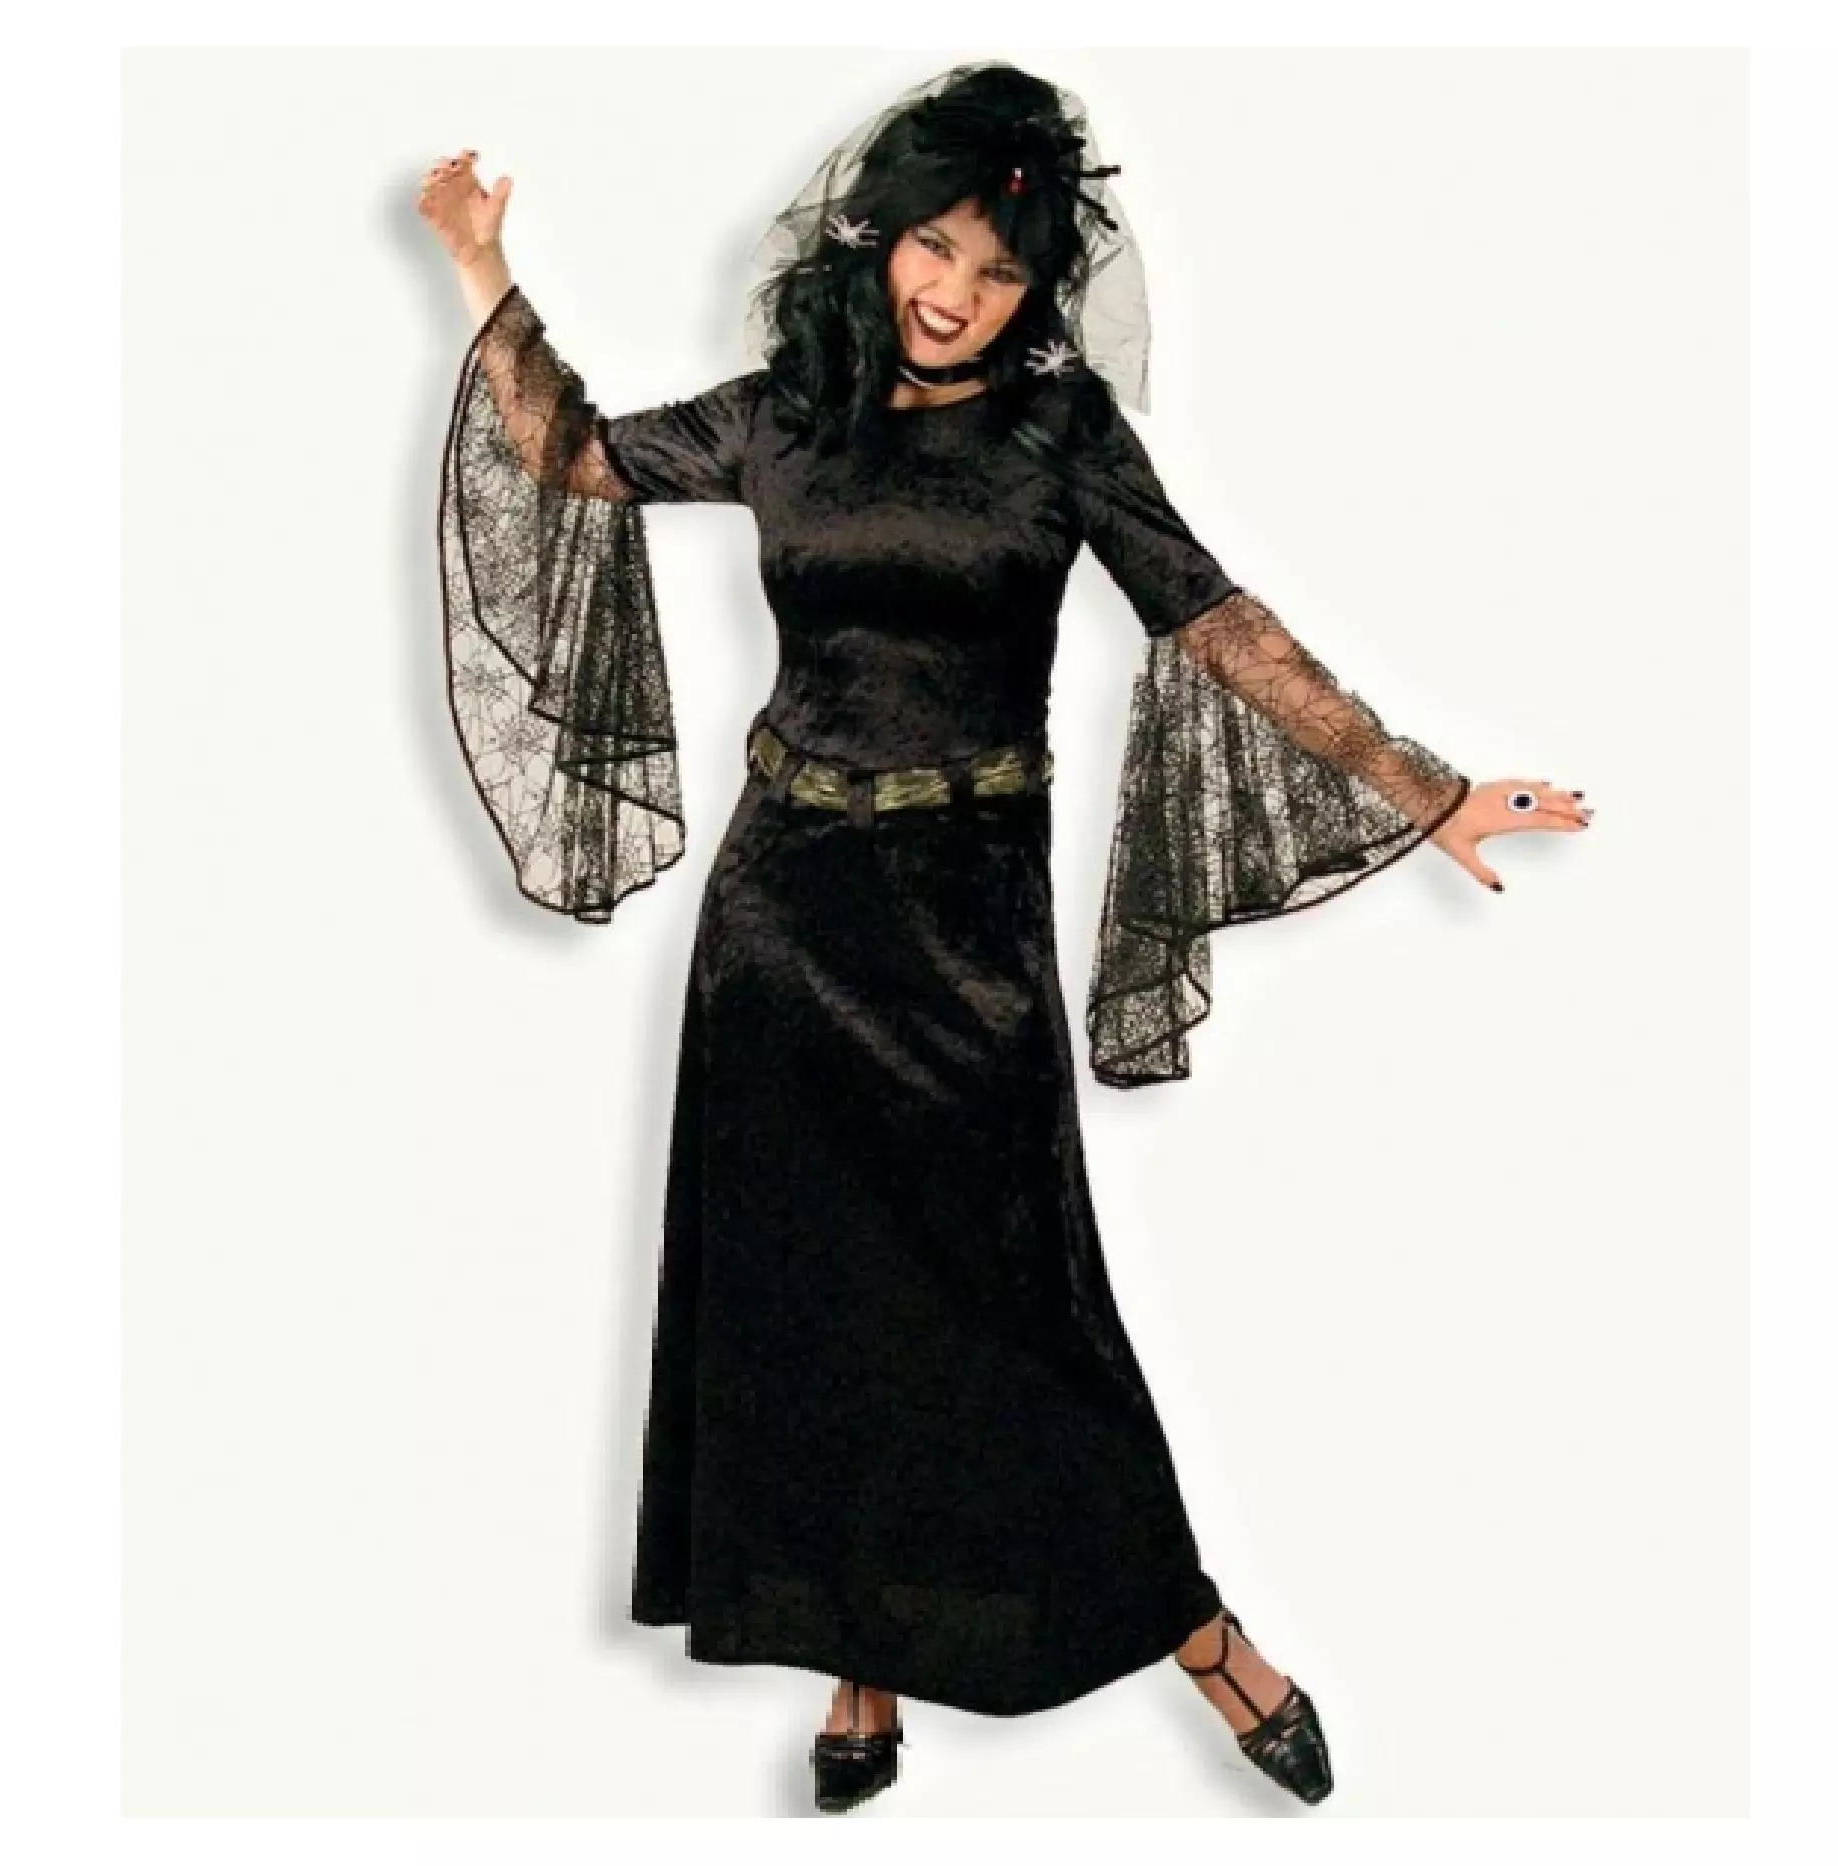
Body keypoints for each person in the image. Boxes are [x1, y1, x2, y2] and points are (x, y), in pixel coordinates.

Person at [414, 60, 1590, 1812]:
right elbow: (573, 460)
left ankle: (1202, 1634)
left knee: (1021, 1305)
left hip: (965, 928)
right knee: (814, 1300)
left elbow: (1214, 618)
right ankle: (861, 1663)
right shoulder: (787, 416)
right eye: (935, 247)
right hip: (785, 919)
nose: (956, 291)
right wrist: (481, 267)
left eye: (999, 267)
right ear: (881, 238)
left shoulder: (1060, 436)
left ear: (1037, 289)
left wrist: (1422, 790)